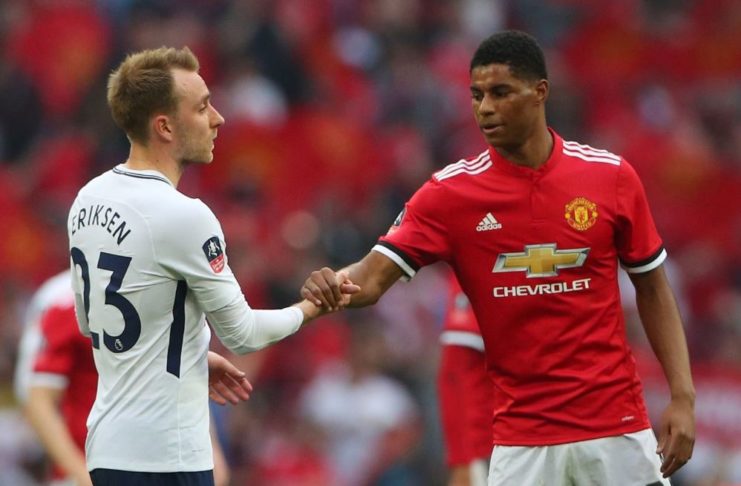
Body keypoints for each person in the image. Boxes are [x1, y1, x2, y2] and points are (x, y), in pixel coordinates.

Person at [301, 30, 695, 485]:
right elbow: (370, 280)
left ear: (540, 92)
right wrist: (326, 287)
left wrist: (683, 397)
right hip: (521, 442)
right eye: (477, 95)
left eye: (501, 92)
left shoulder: (611, 177)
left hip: (616, 428)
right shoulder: (450, 194)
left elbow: (653, 288)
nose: (485, 108)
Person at [67, 46, 351, 486]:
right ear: (164, 126)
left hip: (106, 449)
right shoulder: (185, 215)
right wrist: (314, 307)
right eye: (202, 108)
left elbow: (91, 324)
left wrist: (192, 354)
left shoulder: (87, 199)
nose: (218, 118)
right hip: (170, 457)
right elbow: (244, 334)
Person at [15, 271, 253, 486]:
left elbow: (180, 377)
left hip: (164, 465)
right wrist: (80, 472)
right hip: (96, 465)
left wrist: (210, 453)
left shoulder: (162, 284)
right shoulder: (63, 299)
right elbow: (38, 401)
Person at [437, 273, 492, 486]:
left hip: (557, 433)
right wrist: (463, 460)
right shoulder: (479, 262)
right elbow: (458, 372)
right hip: (494, 448)